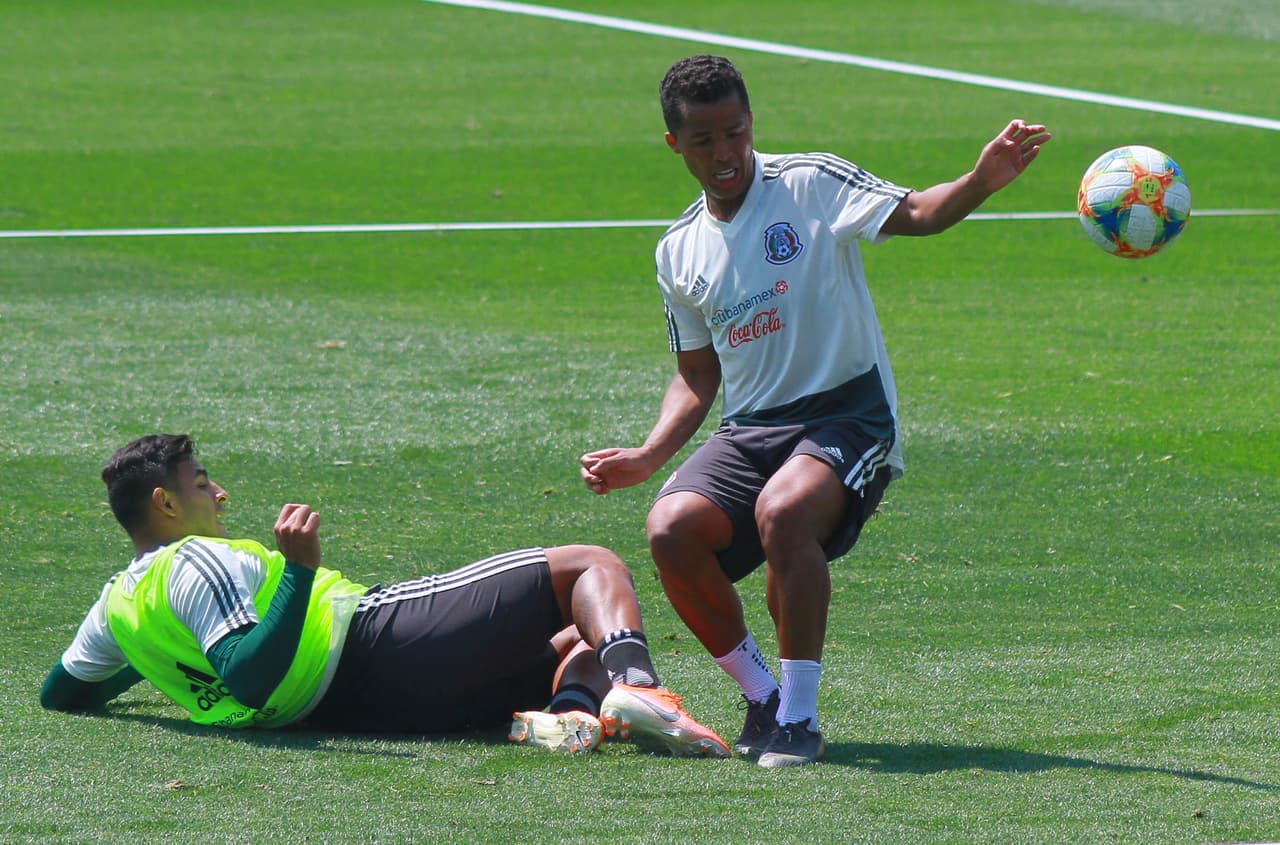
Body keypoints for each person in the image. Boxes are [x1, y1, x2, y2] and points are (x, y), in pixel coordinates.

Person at [580, 55, 1051, 767]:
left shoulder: (809, 182)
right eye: (703, 141)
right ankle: (763, 693)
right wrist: (648, 456)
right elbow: (696, 375)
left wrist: (982, 179)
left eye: (734, 132)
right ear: (675, 145)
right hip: (751, 428)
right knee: (670, 528)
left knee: (784, 509)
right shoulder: (678, 249)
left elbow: (920, 213)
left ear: (750, 124)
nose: (724, 153)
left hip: (847, 414)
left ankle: (799, 718)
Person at [41, 433, 730, 758]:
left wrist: (155, 658)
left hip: (363, 708)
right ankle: (642, 685)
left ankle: (571, 717)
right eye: (200, 482)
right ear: (162, 502)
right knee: (589, 566)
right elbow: (249, 677)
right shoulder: (199, 561)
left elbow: (62, 693)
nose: (217, 493)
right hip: (372, 643)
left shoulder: (118, 607)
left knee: (580, 638)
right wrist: (300, 570)